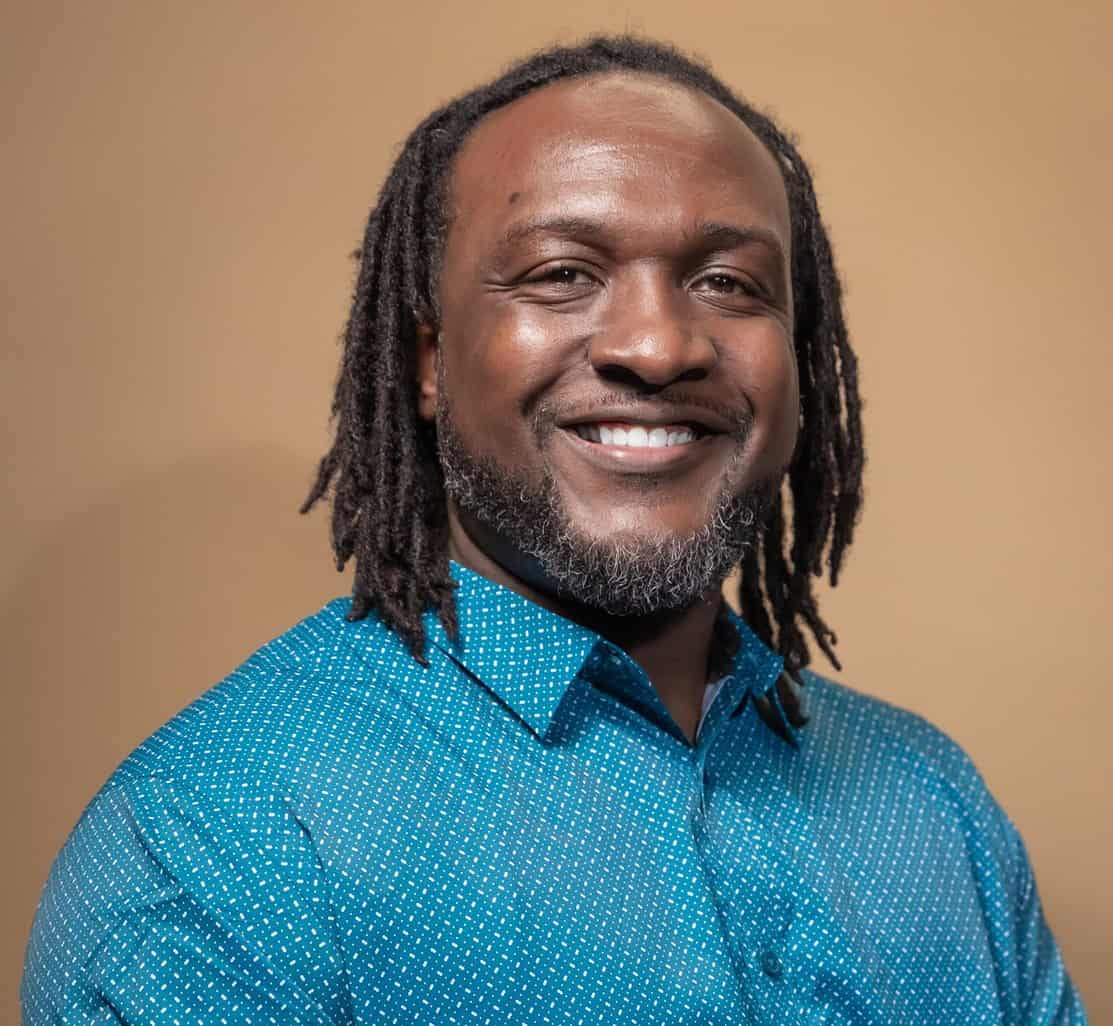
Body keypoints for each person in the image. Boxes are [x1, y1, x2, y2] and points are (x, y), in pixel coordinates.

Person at [22, 35, 1086, 1026]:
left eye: (727, 283)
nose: (658, 346)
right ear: (429, 362)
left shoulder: (931, 804)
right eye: (561, 275)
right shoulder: (221, 838)